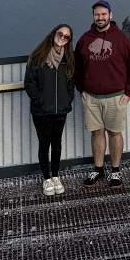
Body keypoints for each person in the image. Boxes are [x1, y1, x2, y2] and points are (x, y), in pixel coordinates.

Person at [75, 0, 130, 189]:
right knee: (97, 133)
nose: (100, 17)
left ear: (110, 15)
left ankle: (116, 170)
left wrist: (128, 93)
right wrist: (81, 89)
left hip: (116, 96)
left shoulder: (121, 38)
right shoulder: (85, 39)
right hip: (91, 97)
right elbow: (77, 66)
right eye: (97, 14)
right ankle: (99, 169)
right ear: (93, 17)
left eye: (103, 14)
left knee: (115, 133)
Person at [23, 23, 76, 196]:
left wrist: (68, 99)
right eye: (60, 34)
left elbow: (70, 82)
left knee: (57, 143)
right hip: (42, 111)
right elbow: (29, 83)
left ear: (68, 41)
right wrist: (40, 102)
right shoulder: (38, 57)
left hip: (60, 110)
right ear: (53, 34)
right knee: (44, 143)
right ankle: (46, 179)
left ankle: (55, 176)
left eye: (66, 36)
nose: (62, 37)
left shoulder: (68, 59)